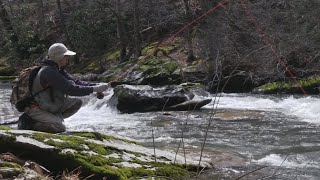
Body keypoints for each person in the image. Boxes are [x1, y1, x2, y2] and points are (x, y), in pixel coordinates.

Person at [19, 43, 109, 133]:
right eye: (66, 56)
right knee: (60, 128)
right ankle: (31, 123)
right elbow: (71, 89)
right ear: (59, 57)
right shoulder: (49, 72)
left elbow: (76, 82)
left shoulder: (57, 69)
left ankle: (51, 119)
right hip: (35, 108)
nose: (68, 59)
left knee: (77, 103)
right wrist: (95, 89)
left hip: (47, 104)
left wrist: (96, 86)